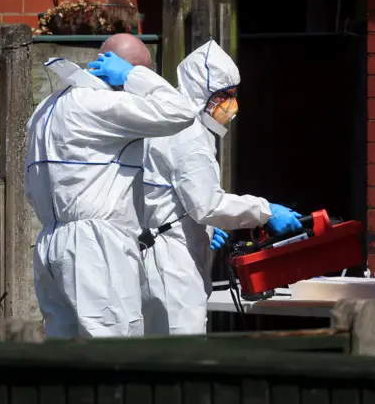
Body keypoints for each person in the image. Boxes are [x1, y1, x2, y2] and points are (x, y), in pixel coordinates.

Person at [25, 34, 198, 338]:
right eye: (138, 72)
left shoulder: (45, 108)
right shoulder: (103, 104)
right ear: (119, 70)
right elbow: (181, 111)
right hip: (97, 246)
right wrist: (135, 76)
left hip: (51, 241)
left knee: (64, 356)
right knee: (114, 352)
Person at [141, 40, 302, 335]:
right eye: (225, 95)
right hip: (173, 265)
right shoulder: (187, 133)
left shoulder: (169, 124)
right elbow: (207, 205)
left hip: (164, 254)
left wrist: (208, 229)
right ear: (203, 92)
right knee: (181, 355)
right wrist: (265, 211)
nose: (231, 105)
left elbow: (175, 196)